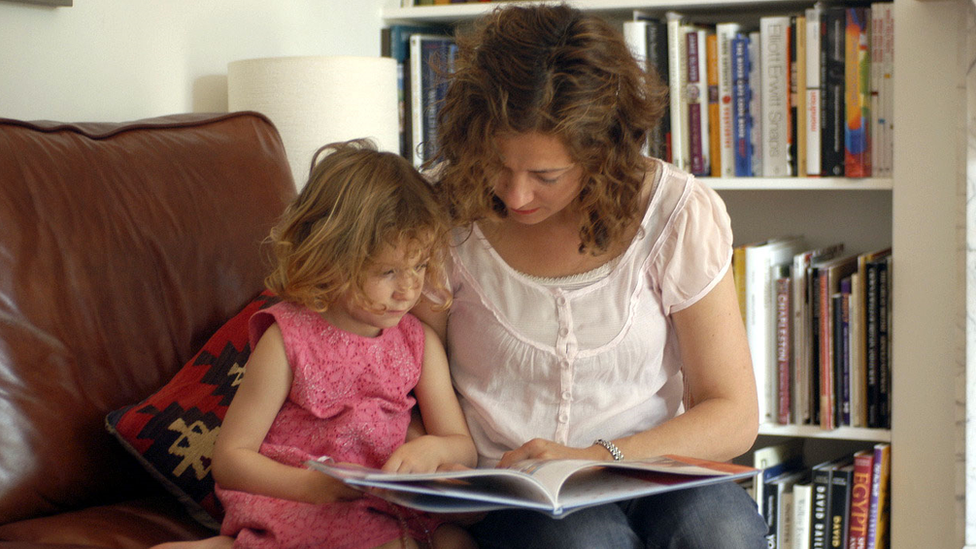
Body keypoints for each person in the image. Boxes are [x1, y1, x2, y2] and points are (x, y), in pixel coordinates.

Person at [409, 4, 768, 548]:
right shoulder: (441, 211)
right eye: (497, 165)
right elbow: (400, 376)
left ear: (603, 155)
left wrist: (598, 459)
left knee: (722, 531)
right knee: (585, 540)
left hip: (653, 468)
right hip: (514, 491)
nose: (515, 194)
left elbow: (734, 414)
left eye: (545, 175)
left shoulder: (674, 213)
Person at [156, 139, 478, 549]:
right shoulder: (287, 339)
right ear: (332, 261)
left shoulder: (419, 344)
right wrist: (311, 487)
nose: (409, 289)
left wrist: (431, 450)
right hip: (299, 497)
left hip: (382, 505)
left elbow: (462, 447)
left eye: (419, 265)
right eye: (388, 273)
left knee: (458, 542)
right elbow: (231, 460)